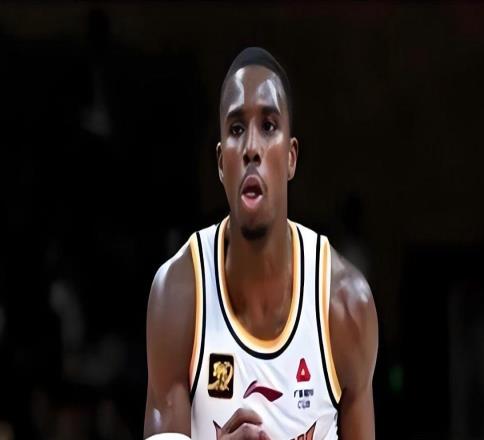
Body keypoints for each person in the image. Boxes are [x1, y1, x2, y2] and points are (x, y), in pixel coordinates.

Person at [144, 47, 378, 440]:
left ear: (291, 157)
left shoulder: (344, 304)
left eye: (268, 126)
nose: (251, 147)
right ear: (222, 163)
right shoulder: (178, 294)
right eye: (236, 129)